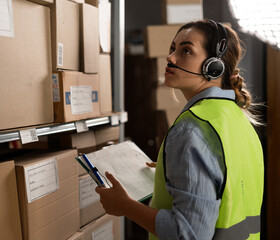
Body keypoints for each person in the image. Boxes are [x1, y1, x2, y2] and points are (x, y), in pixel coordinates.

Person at [95, 19, 264, 240]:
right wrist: (176, 169)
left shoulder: (192, 128)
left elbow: (188, 234)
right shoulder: (238, 119)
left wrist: (125, 207)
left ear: (214, 67)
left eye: (186, 50)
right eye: (172, 48)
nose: (170, 57)